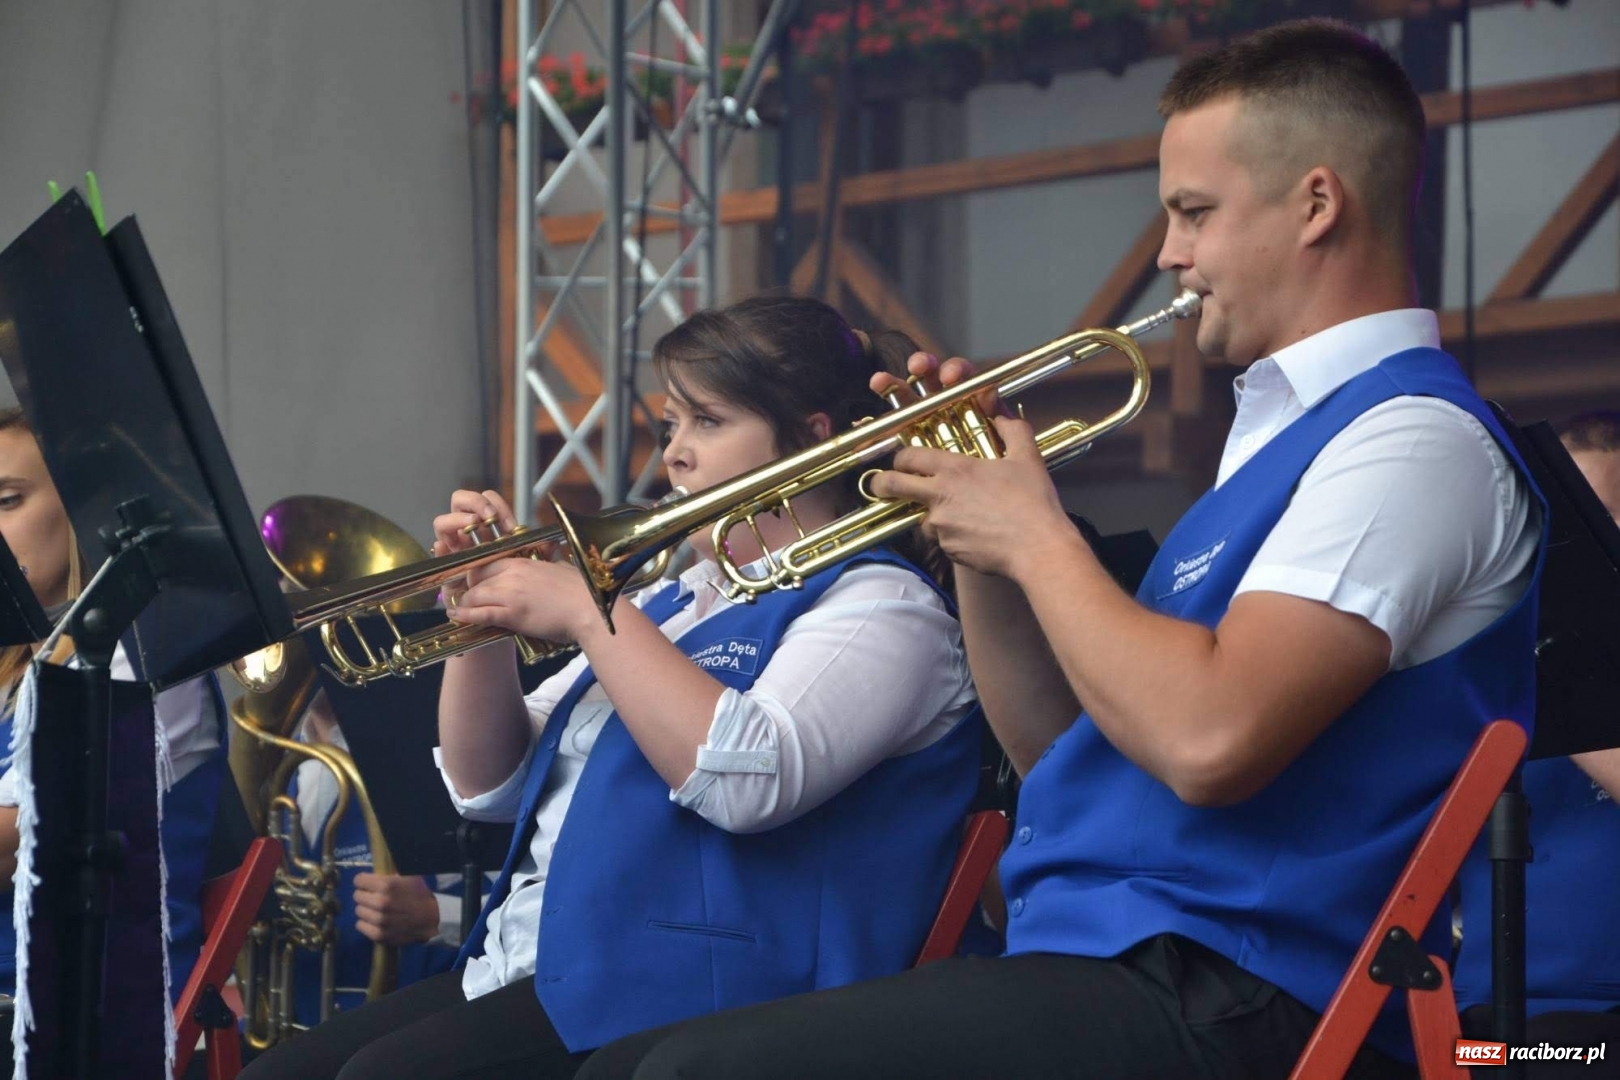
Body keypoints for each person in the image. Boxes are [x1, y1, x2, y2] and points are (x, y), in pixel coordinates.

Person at [578, 20, 1547, 1080]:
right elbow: (1056, 747)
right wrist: (982, 543)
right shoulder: (1285, 437)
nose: (1170, 253)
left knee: (698, 1074)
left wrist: (1037, 535)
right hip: (1120, 958)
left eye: (1194, 214)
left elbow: (1213, 740)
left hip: (1243, 987)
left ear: (1317, 205)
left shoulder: (1409, 441)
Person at [239, 295, 982, 1080]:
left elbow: (748, 782)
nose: (675, 456)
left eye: (708, 422)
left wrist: (594, 618)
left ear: (811, 437)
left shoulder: (881, 603)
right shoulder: (681, 598)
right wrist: (480, 624)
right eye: (671, 427)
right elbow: (485, 783)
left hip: (704, 989)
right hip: (542, 964)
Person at [0, 407, 229, 1006]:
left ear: (79, 508)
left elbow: (18, 839)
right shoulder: (11, 672)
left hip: (91, 1009)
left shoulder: (144, 649)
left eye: (6, 501)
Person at [1451, 409, 1620, 1069]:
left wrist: (1560, 675)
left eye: (1597, 520)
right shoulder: (1489, 667)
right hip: (1473, 1022)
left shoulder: (1535, 668)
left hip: (1595, 1026)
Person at [280, 689, 464, 1028]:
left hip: (421, 1027)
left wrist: (436, 916)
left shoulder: (448, 744)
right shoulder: (267, 765)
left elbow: (538, 903)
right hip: (290, 1031)